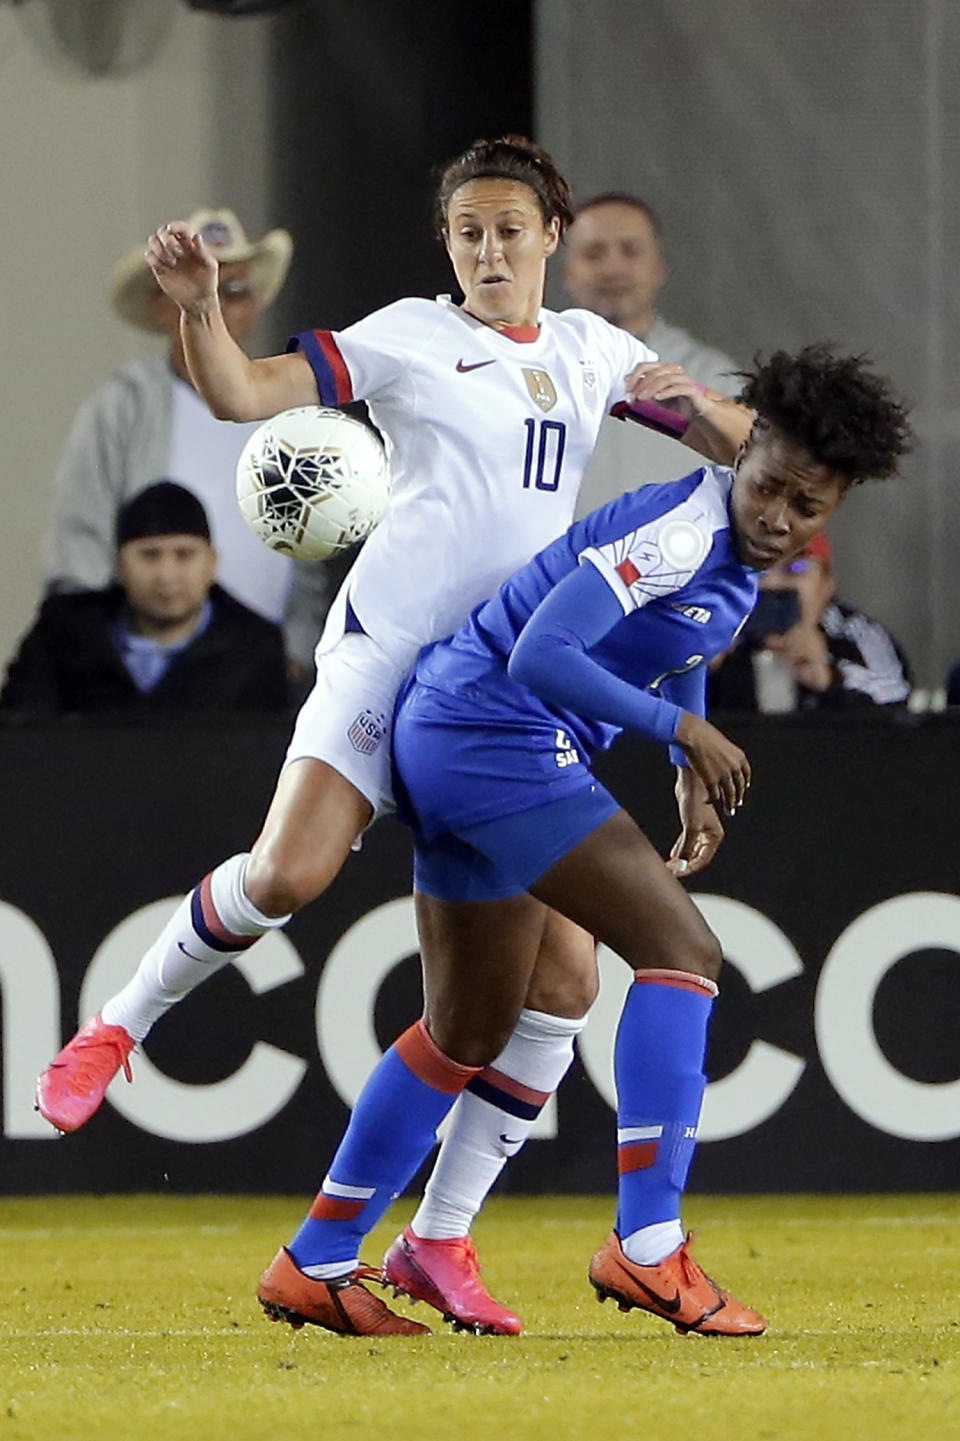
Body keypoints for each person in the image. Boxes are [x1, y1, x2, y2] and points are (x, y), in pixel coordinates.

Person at [35, 136, 755, 1336]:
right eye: (467, 231)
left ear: (550, 239)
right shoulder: (410, 337)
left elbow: (730, 431)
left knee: (564, 981)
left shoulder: (596, 355)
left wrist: (812, 442)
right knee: (289, 872)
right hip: (389, 654)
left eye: (508, 230)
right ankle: (117, 1027)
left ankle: (438, 1242)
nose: (486, 250)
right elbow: (242, 394)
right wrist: (202, 309)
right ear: (449, 244)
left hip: (502, 687)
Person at [256, 346, 909, 1341]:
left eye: (808, 507)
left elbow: (680, 643)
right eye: (770, 485)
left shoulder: (731, 555)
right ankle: (648, 1247)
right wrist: (683, 732)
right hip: (492, 736)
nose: (779, 517)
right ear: (743, 452)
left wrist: (685, 770)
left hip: (467, 735)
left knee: (474, 1028)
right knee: (684, 952)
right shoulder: (686, 532)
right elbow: (542, 651)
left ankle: (316, 1256)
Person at [43, 208, 330, 671]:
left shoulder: (288, 406)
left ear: (255, 306)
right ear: (161, 305)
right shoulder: (124, 405)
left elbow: (310, 549)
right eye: (198, 289)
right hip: (141, 671)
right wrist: (95, 656)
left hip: (263, 676)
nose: (214, 305)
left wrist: (299, 651)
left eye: (232, 292)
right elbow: (80, 538)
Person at [1, 483, 289, 715]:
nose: (166, 575)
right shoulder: (62, 631)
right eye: (149, 555)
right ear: (118, 565)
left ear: (212, 563)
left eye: (184, 555)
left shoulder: (255, 646)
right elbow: (20, 738)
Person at [563, 194, 741, 516]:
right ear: (568, 271)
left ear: (659, 267)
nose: (612, 269)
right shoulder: (533, 368)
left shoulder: (716, 379)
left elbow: (769, 471)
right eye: (593, 253)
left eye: (630, 251)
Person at [708, 531, 912, 711]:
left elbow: (897, 703)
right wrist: (701, 669)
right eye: (757, 571)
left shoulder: (853, 634)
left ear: (826, 583)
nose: (772, 585)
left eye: (795, 569)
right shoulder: (713, 626)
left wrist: (830, 678)